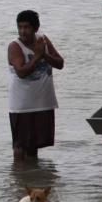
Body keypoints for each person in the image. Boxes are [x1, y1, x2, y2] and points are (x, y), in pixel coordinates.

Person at [8, 10, 64, 159]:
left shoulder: (42, 40)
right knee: (20, 146)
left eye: (26, 27)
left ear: (36, 28)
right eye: (20, 27)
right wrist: (38, 56)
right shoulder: (15, 46)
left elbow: (60, 63)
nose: (23, 31)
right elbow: (21, 72)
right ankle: (20, 177)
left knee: (34, 146)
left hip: (43, 103)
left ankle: (32, 178)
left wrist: (44, 54)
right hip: (22, 106)